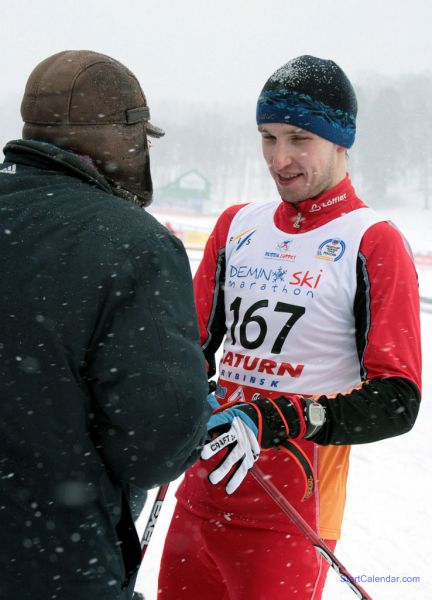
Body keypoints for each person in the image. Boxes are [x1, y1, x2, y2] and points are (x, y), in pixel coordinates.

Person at [157, 55, 422, 600]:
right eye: (268, 137)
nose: (280, 159)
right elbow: (188, 347)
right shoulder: (237, 225)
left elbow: (398, 400)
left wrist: (278, 418)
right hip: (198, 501)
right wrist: (184, 385)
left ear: (341, 141)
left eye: (300, 138)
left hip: (290, 519)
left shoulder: (373, 241)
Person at [0, 50, 211, 600]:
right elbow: (156, 445)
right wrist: (196, 413)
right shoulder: (134, 243)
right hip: (53, 565)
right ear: (121, 137)